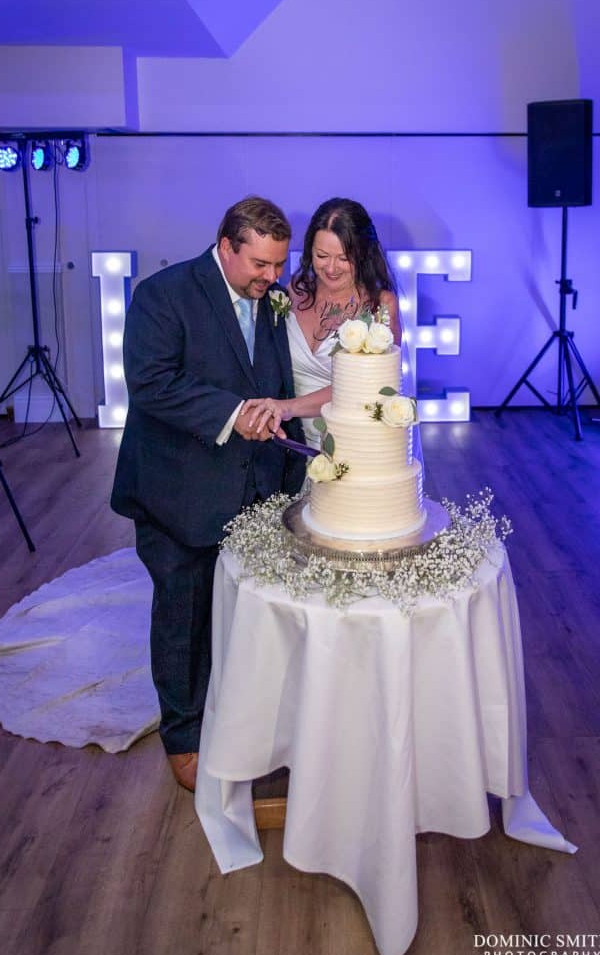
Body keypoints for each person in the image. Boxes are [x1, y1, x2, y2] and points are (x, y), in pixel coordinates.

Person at [111, 196, 306, 792]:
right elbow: (150, 382)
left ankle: (239, 714)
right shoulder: (162, 294)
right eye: (261, 265)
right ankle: (185, 736)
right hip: (177, 492)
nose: (273, 279)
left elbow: (273, 383)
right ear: (226, 247)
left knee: (239, 612)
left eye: (278, 265)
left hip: (251, 486)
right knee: (183, 613)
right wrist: (232, 413)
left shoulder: (268, 299)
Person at [243, 197, 404, 444]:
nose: (331, 268)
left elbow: (367, 389)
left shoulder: (381, 306)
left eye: (343, 258)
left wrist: (287, 407)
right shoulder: (293, 292)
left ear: (363, 254)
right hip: (290, 442)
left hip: (350, 444)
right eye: (321, 255)